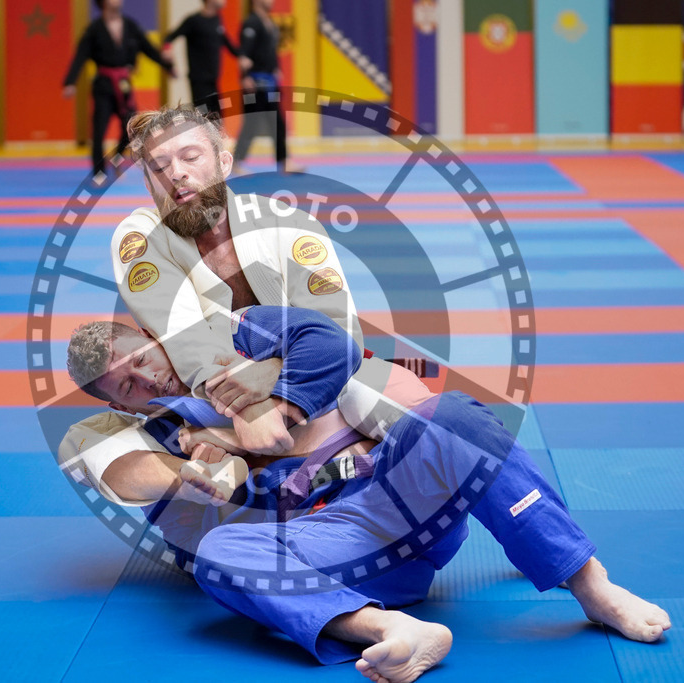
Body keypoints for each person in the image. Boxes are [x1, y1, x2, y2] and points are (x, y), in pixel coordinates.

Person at [60, 305, 672, 683]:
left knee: (452, 413)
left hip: (387, 493)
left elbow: (330, 343)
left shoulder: (229, 330)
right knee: (221, 553)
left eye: (139, 358)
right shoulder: (122, 432)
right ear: (115, 403)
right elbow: (122, 472)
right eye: (127, 386)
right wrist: (182, 474)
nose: (147, 379)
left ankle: (591, 586)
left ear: (148, 333)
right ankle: (388, 631)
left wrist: (277, 406)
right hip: (327, 549)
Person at [112, 104, 432, 449]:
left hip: (313, 378)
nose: (176, 173)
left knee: (417, 415)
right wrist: (251, 407)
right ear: (148, 183)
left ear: (223, 162)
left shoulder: (291, 224)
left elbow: (337, 332)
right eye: (159, 167)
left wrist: (273, 378)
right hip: (208, 397)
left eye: (190, 157)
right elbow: (185, 336)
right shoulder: (141, 237)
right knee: (99, 444)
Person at [62, 0, 175, 176]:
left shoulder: (130, 26)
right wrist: (70, 82)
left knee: (132, 128)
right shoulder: (94, 30)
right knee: (99, 132)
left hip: (124, 86)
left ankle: (117, 157)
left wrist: (168, 67)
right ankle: (98, 172)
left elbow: (149, 49)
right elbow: (80, 56)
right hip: (103, 86)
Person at [232, 0, 297, 174]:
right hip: (254, 83)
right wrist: (244, 77)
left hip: (270, 83)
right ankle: (236, 162)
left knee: (278, 123)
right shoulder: (251, 23)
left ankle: (284, 162)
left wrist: (277, 70)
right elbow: (243, 55)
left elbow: (271, 53)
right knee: (251, 124)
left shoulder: (271, 24)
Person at [162, 0, 239, 116]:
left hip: (213, 80)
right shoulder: (193, 21)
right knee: (203, 117)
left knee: (218, 115)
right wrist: (168, 53)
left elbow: (229, 45)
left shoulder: (217, 20)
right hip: (199, 80)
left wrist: (247, 54)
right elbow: (169, 37)